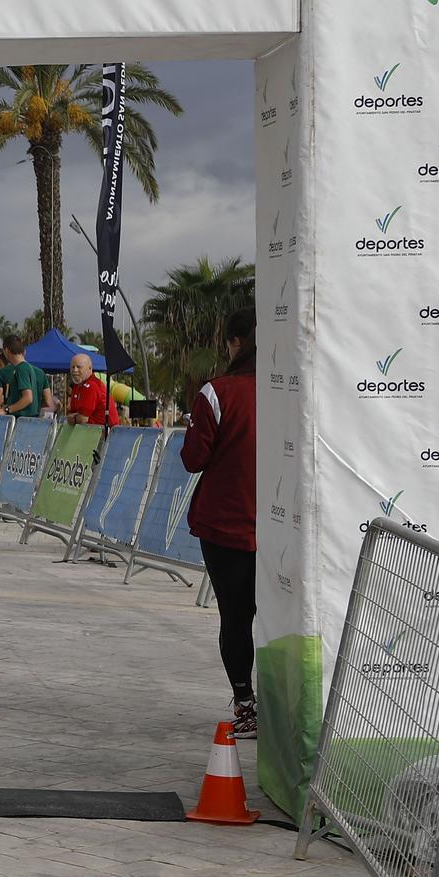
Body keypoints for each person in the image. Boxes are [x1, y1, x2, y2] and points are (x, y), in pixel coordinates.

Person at [181, 306, 258, 738]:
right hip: (284, 528)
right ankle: (288, 706)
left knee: (236, 616)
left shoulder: (217, 392)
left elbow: (193, 459)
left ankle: (247, 706)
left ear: (235, 343)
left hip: (226, 526)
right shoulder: (296, 387)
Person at [0, 335, 47, 418]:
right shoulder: (26, 368)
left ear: (7, 350)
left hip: (23, 422)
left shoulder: (22, 369)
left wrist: (6, 410)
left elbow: (28, 398)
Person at [63, 353, 121, 427]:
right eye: (72, 367)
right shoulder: (77, 386)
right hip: (93, 431)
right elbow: (72, 413)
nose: (75, 370)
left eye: (78, 367)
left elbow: (82, 419)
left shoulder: (92, 385)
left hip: (106, 433)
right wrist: (76, 417)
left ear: (90, 368)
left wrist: (74, 418)